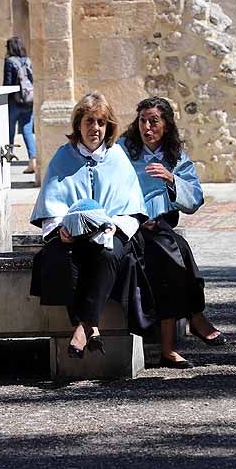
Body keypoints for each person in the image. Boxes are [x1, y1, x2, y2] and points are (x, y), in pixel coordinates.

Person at [29, 92, 155, 358]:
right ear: (78, 124)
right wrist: (60, 229)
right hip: (72, 235)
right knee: (61, 258)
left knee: (108, 255)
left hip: (112, 232)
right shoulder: (63, 157)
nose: (94, 128)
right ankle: (90, 326)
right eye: (89, 121)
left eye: (100, 122)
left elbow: (131, 208)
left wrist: (113, 228)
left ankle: (82, 328)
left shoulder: (118, 157)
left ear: (108, 126)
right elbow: (52, 203)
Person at [120, 97, 229, 370]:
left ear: (166, 126)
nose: (147, 127)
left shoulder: (175, 156)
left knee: (177, 248)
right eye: (143, 120)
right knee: (168, 251)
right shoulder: (123, 151)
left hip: (161, 226)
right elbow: (109, 186)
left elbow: (194, 199)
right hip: (130, 225)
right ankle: (193, 319)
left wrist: (171, 179)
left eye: (154, 121)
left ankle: (183, 332)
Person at [3, 37, 37, 173]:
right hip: (28, 100)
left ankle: (8, 157)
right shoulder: (28, 60)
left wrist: (4, 100)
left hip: (14, 101)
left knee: (9, 130)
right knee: (27, 130)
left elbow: (7, 83)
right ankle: (32, 160)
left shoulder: (10, 62)